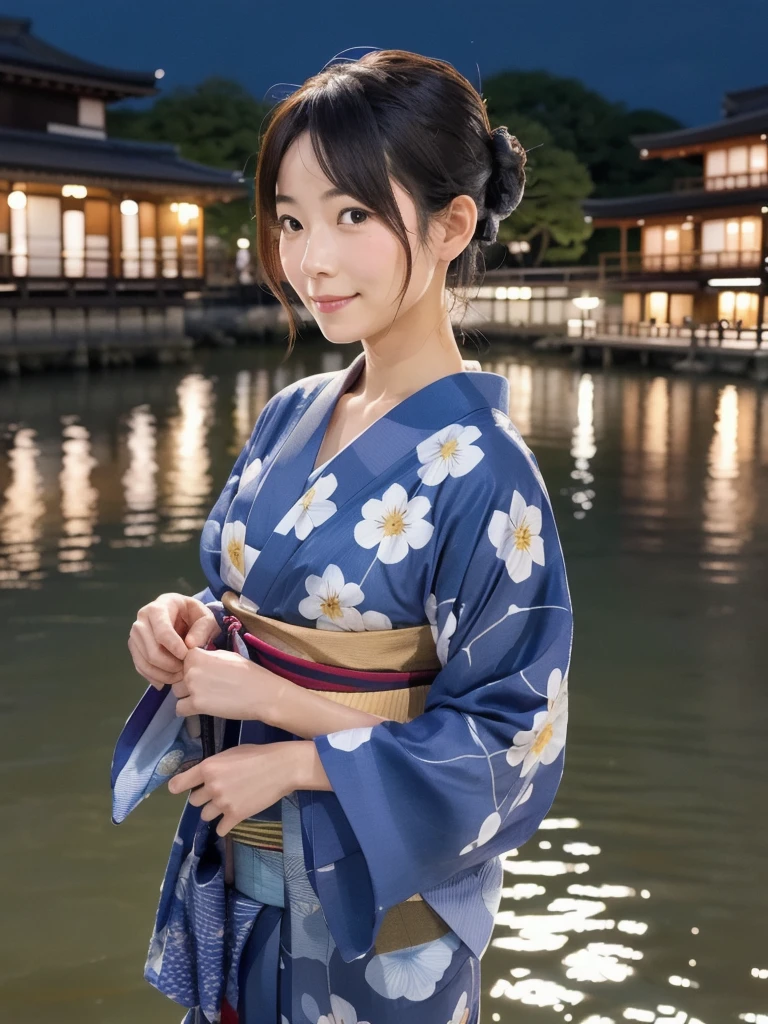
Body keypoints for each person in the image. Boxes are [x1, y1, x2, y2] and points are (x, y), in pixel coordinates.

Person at [112, 48, 573, 1024]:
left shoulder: (487, 472)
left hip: (373, 897)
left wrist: (292, 739)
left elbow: (514, 743)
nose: (308, 258)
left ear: (450, 225)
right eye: (290, 217)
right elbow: (242, 600)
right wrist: (182, 621)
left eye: (352, 214)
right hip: (240, 863)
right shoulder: (292, 411)